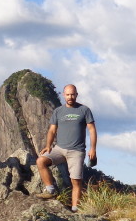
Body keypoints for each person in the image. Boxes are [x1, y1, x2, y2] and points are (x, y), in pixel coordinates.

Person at [36, 84, 97, 212]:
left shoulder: (84, 110)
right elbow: (52, 130)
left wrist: (93, 149)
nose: (70, 97)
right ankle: (50, 190)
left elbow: (92, 130)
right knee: (41, 161)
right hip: (59, 149)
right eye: (68, 94)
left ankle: (75, 209)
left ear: (76, 94)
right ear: (64, 95)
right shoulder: (58, 111)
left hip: (77, 151)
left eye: (72, 94)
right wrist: (48, 146)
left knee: (76, 181)